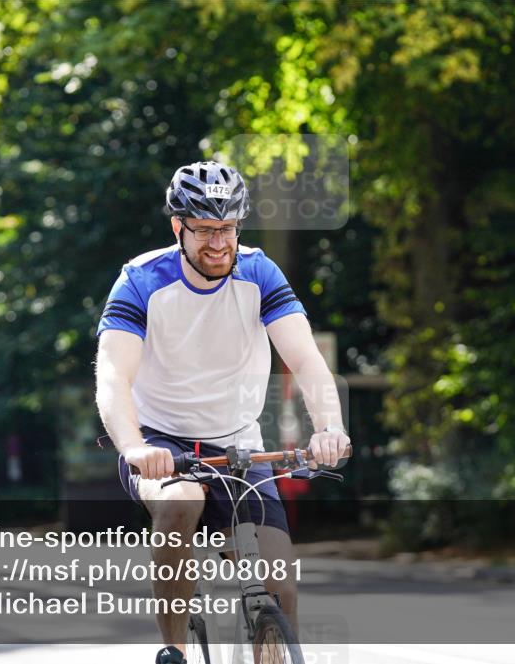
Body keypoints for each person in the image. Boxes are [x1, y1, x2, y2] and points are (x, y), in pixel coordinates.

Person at [95, 160, 351, 664]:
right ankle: (175, 650)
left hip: (238, 446)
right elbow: (112, 376)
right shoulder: (141, 280)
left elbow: (305, 360)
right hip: (160, 443)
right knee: (181, 504)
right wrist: (133, 447)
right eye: (206, 230)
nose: (219, 244)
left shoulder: (258, 272)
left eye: (228, 229)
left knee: (280, 587)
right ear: (179, 227)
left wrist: (330, 427)